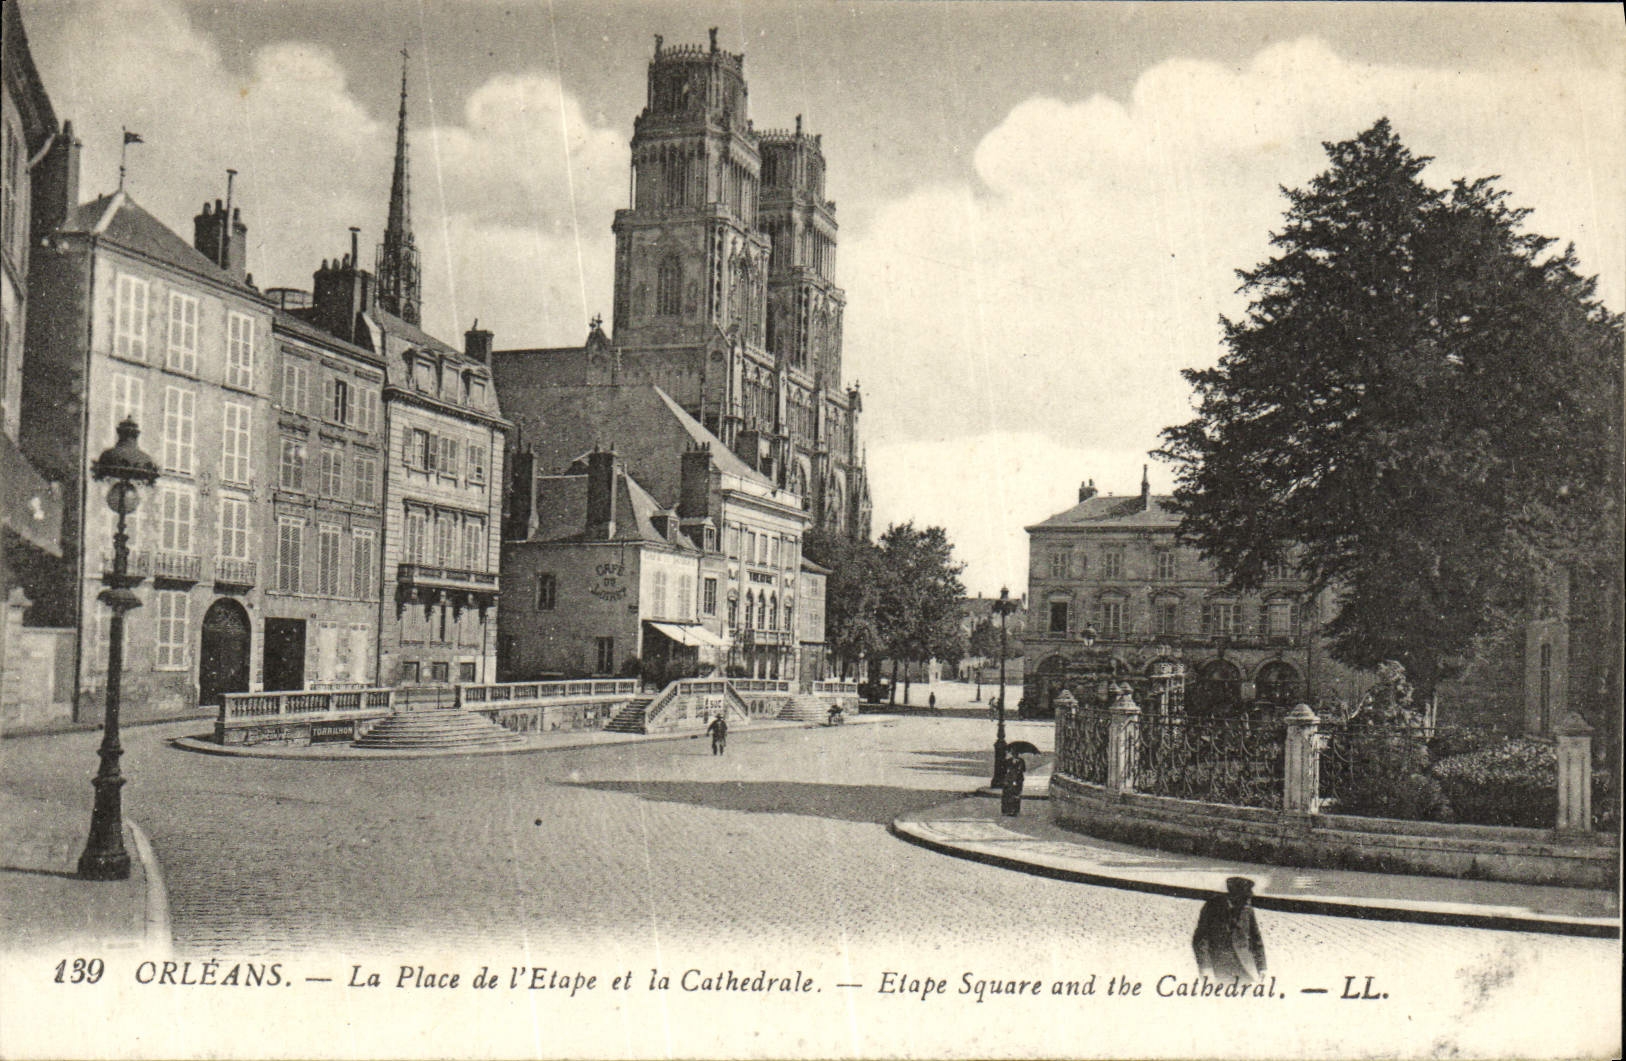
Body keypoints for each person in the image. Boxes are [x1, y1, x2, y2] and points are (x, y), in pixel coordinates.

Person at [1192, 876, 1268, 984]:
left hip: (1245, 967)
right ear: (1234, 895)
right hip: (1218, 968)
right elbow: (1200, 940)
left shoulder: (1247, 910)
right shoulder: (1212, 907)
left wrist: (1262, 967)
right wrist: (1205, 967)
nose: (1249, 899)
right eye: (1245, 896)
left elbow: (1256, 939)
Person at [1000, 748, 1026, 816]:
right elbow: (1004, 770)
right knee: (1008, 795)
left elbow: (1024, 770)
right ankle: (1007, 810)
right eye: (1013, 753)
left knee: (1016, 795)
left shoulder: (1021, 761)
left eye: (1016, 753)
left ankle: (1015, 811)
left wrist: (1019, 768)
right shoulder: (1008, 761)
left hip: (1018, 780)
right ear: (1012, 754)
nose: (1015, 754)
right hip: (1009, 779)